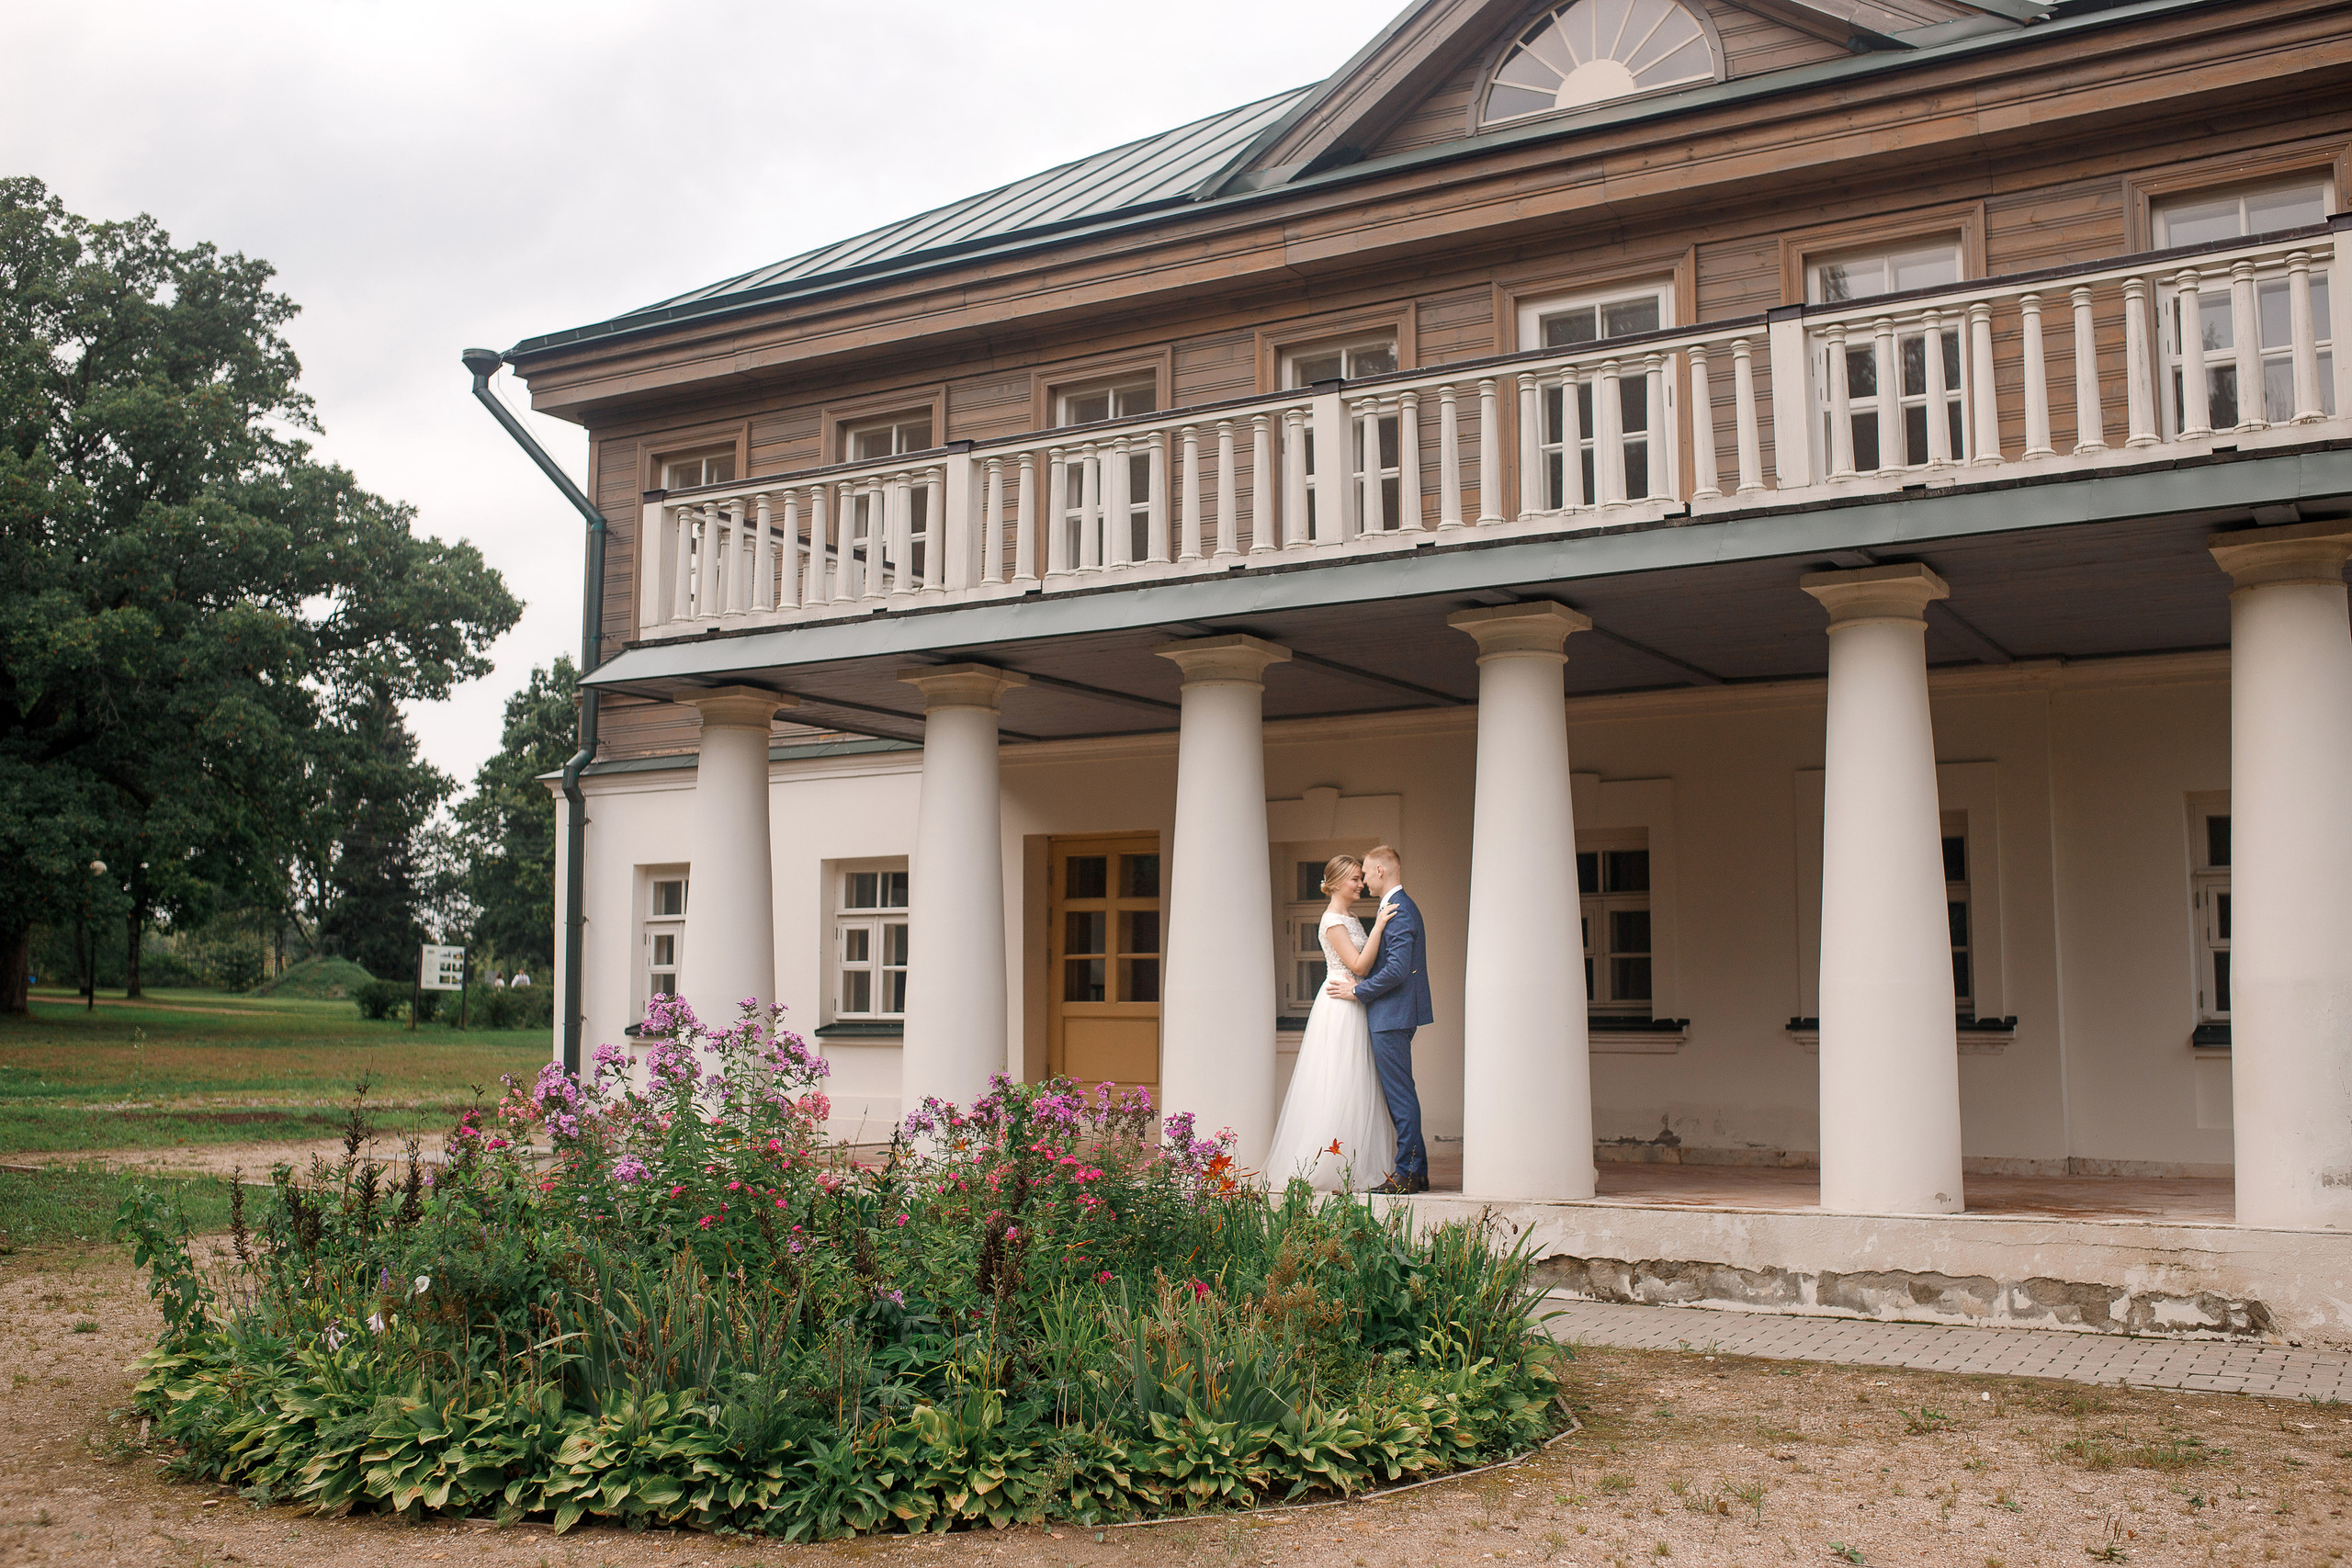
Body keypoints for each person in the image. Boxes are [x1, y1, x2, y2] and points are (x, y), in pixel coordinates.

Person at [1263, 855, 1397, 1191]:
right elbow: (1359, 965)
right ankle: (1328, 1165)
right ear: (1337, 883)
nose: (1361, 884)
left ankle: (1353, 1160)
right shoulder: (1334, 921)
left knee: (1357, 1080)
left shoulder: (1350, 917)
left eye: (1360, 878)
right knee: (1339, 1078)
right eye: (1354, 879)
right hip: (1340, 1004)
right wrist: (1379, 926)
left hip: (1354, 999)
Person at [1325, 844, 1432, 1194]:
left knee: (1400, 1096)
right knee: (1401, 1094)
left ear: (1381, 872)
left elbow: (1398, 969)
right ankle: (1416, 1171)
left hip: (1392, 1014)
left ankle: (1407, 1174)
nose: (1364, 881)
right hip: (1392, 1012)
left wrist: (1358, 991)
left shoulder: (1398, 910)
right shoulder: (1393, 908)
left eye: (1366, 873)